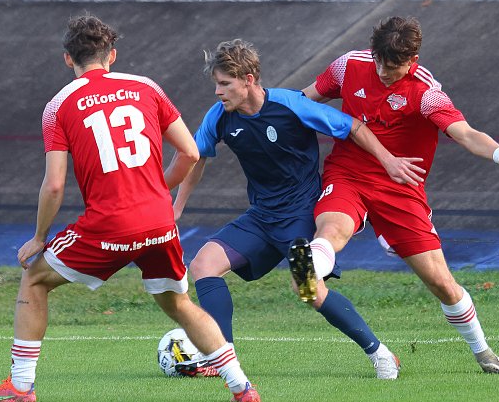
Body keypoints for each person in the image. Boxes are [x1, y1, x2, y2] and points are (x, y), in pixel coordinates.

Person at [0, 15, 260, 402]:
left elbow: (55, 184)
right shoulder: (145, 86)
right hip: (159, 221)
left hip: (109, 224)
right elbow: (190, 152)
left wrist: (39, 238)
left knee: (34, 280)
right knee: (179, 303)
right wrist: (156, 191)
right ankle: (242, 386)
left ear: (67, 59)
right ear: (112, 55)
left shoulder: (58, 106)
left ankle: (20, 387)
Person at [293, 16, 499, 374]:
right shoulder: (349, 65)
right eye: (379, 60)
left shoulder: (426, 92)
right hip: (348, 172)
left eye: (393, 66)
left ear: (412, 61)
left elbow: (464, 132)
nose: (383, 71)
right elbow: (302, 101)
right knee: (332, 229)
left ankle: (483, 351)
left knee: (441, 283)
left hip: (401, 189)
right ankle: (308, 270)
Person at [173, 39, 425, 379]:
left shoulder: (292, 104)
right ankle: (222, 360)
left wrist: (389, 161)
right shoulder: (219, 116)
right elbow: (196, 156)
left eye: (224, 84)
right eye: (217, 84)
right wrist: (176, 207)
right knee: (203, 265)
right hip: (262, 217)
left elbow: (353, 127)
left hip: (302, 218)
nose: (218, 92)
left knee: (307, 289)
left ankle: (379, 353)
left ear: (248, 80)